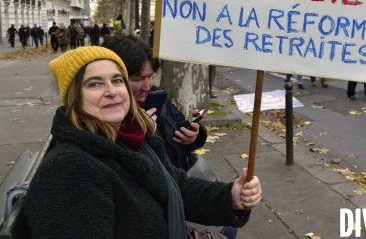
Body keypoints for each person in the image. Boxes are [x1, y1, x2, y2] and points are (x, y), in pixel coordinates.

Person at [24, 47, 261, 238]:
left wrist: (231, 197)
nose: (112, 91)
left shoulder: (132, 138)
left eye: (117, 80)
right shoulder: (70, 171)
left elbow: (176, 187)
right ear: (74, 97)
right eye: (94, 84)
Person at [102, 33, 207, 170]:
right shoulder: (108, 111)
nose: (147, 86)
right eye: (138, 79)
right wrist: (138, 130)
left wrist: (193, 135)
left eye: (151, 76)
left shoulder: (157, 95)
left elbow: (179, 125)